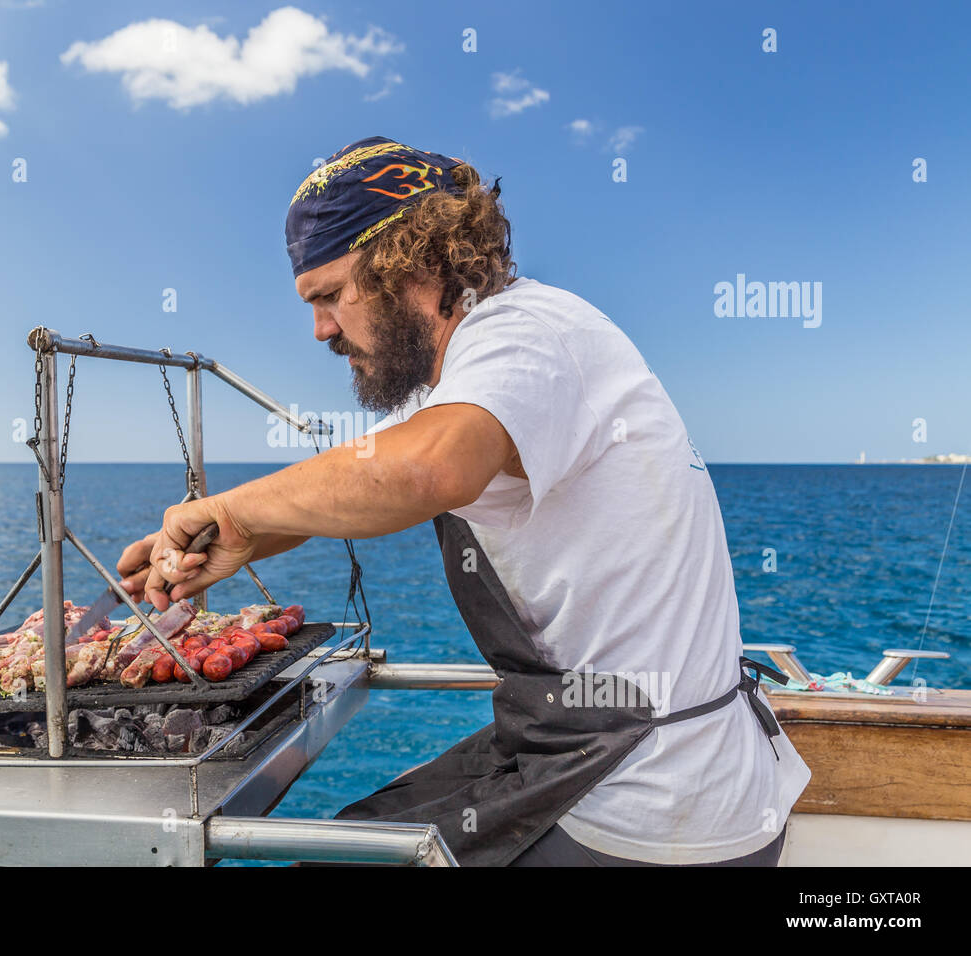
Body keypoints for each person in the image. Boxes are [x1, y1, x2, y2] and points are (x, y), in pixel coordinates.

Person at [116, 136, 809, 866]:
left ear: (407, 262)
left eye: (328, 296)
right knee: (341, 847)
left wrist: (235, 510)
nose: (321, 329)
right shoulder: (471, 370)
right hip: (601, 745)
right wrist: (241, 542)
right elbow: (366, 469)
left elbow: (427, 469)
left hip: (655, 795)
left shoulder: (524, 333)